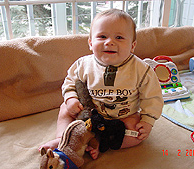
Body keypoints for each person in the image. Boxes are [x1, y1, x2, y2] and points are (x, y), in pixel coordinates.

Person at [40, 9, 164, 160]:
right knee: (65, 108)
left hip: (122, 118)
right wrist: (71, 98)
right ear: (91, 43)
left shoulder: (141, 70)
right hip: (88, 115)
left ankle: (98, 142)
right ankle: (65, 139)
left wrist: (148, 121)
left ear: (132, 46)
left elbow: (153, 97)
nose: (110, 42)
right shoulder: (83, 64)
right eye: (102, 36)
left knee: (137, 134)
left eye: (119, 37)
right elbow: (70, 82)